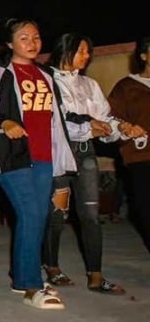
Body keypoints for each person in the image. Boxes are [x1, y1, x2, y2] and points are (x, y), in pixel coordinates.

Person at [0, 19, 77, 310]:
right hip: (12, 155)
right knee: (31, 212)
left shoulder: (46, 74)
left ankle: (22, 278)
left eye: (36, 36)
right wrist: (4, 121)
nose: (32, 42)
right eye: (23, 38)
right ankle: (33, 285)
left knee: (37, 216)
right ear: (9, 44)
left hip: (44, 155)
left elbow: (58, 116)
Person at [46, 34, 139, 292]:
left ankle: (95, 275)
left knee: (90, 214)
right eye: (83, 50)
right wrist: (90, 128)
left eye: (89, 52)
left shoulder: (90, 84)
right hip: (60, 156)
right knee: (57, 213)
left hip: (86, 156)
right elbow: (59, 120)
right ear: (66, 49)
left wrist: (121, 128)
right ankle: (51, 266)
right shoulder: (48, 81)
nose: (87, 56)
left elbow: (104, 118)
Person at [108, 37, 150, 253]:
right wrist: (126, 128)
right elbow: (111, 119)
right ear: (143, 55)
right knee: (145, 209)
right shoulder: (126, 87)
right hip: (140, 157)